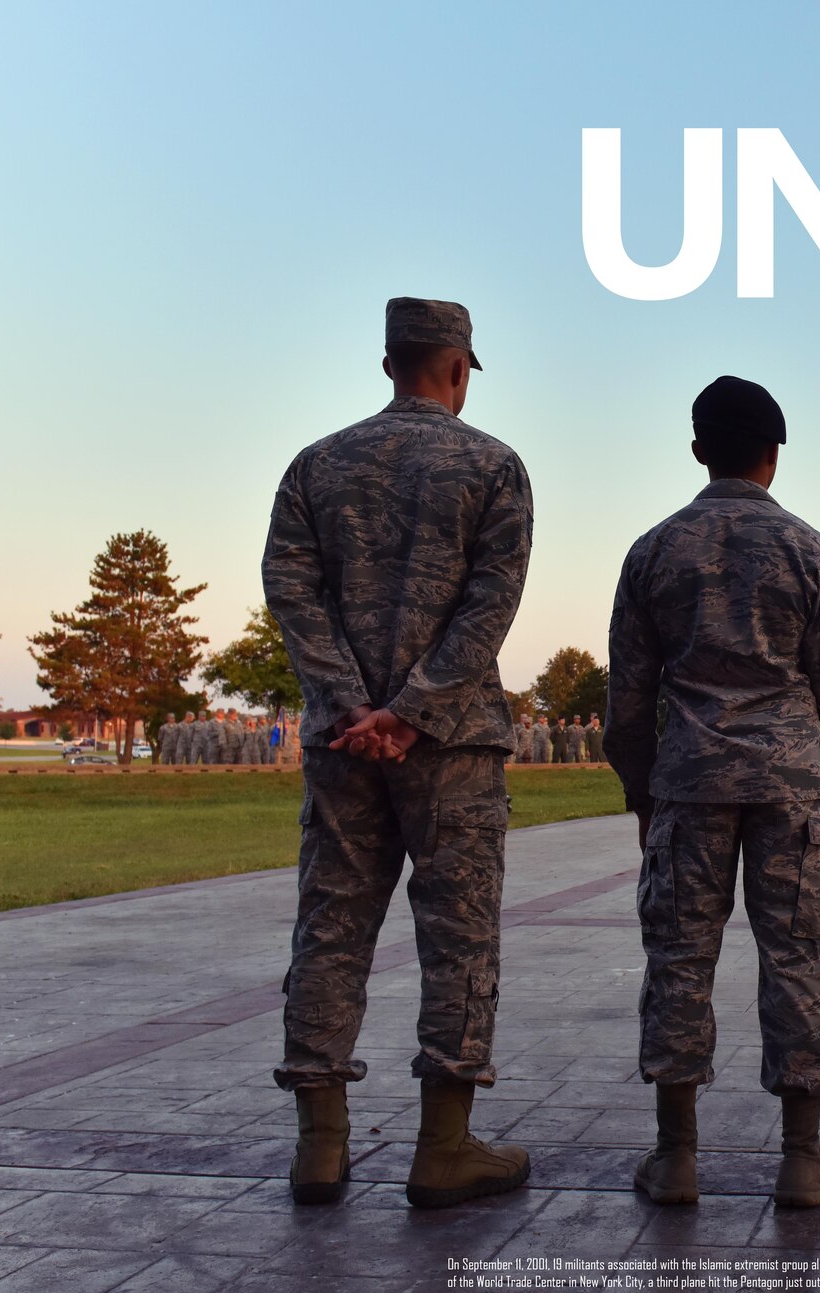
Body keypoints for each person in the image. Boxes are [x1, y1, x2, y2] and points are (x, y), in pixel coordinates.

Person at [605, 374, 820, 1210]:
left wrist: (643, 797)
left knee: (678, 962)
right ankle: (802, 1157)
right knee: (796, 959)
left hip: (690, 785)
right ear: (775, 454)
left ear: (698, 450)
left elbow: (627, 703)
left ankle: (675, 1157)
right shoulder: (811, 553)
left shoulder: (654, 551)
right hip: (787, 789)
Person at [261, 296, 533, 1209]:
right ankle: (444, 1148)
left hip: (343, 747)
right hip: (453, 745)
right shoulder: (491, 466)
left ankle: (319, 1147)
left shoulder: (316, 466)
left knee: (331, 928)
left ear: (389, 364)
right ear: (458, 369)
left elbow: (291, 593)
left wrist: (353, 707)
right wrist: (414, 713)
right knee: (459, 937)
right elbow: (491, 603)